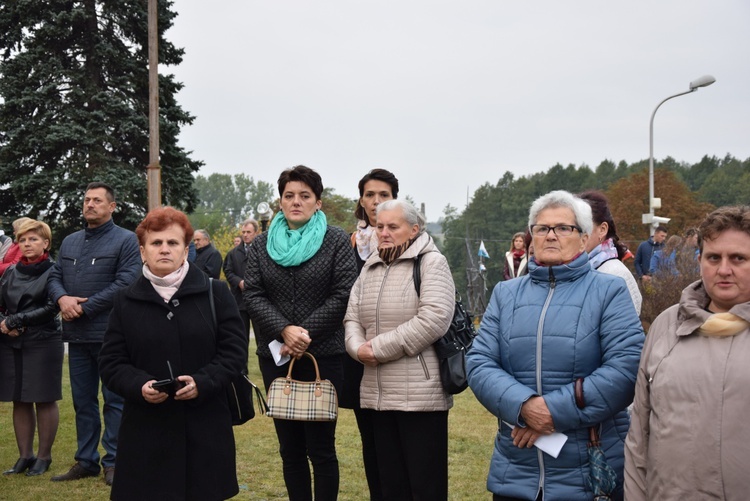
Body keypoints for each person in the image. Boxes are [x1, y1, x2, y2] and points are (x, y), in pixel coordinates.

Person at [466, 190, 644, 501]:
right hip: (516, 470)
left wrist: (552, 413)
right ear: (531, 235)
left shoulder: (609, 292)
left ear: (584, 237)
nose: (551, 236)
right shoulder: (506, 294)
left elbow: (625, 370)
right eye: (541, 228)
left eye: (563, 228)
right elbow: (480, 362)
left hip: (588, 471)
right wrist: (524, 407)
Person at [99, 207, 247, 501]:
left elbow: (234, 353)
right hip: (145, 431)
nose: (164, 249)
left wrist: (202, 382)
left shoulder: (216, 293)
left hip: (205, 428)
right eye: (156, 243)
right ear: (142, 251)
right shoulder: (125, 300)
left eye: (173, 243)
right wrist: (140, 385)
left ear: (186, 250)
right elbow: (112, 362)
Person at [244, 165, 358, 501]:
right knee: (289, 449)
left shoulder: (336, 239)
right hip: (276, 357)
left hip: (324, 356)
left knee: (322, 449)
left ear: (318, 202)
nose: (296, 202)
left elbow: (344, 292)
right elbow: (252, 294)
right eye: (289, 195)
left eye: (305, 196)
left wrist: (304, 332)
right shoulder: (262, 243)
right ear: (280, 201)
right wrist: (284, 329)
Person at [624, 205, 750, 500]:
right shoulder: (666, 325)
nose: (724, 269)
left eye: (739, 258)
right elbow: (639, 436)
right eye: (713, 257)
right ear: (699, 260)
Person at [345, 199, 455, 500]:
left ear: (414, 229)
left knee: (424, 486)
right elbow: (352, 316)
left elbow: (433, 319)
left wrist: (376, 349)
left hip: (420, 399)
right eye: (380, 226)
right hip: (377, 396)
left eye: (393, 226)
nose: (384, 232)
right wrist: (357, 348)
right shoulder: (371, 266)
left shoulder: (432, 263)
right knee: (389, 486)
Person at [47, 182, 141, 485]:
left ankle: (113, 462)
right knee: (83, 401)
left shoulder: (126, 241)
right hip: (77, 337)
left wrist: (83, 308)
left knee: (114, 401)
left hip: (111, 336)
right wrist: (62, 299)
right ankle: (85, 460)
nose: (90, 204)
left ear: (112, 206)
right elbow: (55, 276)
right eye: (87, 200)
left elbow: (126, 282)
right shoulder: (71, 241)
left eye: (97, 200)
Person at [341, 168, 399, 501]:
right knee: (371, 438)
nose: (376, 202)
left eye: (384, 195)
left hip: (397, 352)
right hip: (358, 351)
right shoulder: (351, 243)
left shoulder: (408, 242)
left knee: (396, 437)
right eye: (370, 195)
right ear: (361, 201)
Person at [0, 219, 62, 477]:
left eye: (33, 239)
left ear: (46, 243)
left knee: (43, 397)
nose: (27, 244)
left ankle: (44, 457)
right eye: (23, 240)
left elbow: (52, 305)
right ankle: (25, 455)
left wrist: (18, 320)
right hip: (10, 339)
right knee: (19, 398)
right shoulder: (9, 272)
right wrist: (4, 323)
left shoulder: (55, 271)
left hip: (43, 339)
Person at [578, 190, 642, 314]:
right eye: (571, 227)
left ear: (602, 230)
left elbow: (623, 330)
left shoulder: (616, 274)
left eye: (583, 227)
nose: (576, 234)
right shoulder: (575, 269)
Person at [223, 219, 259, 338]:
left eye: (248, 232)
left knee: (261, 337)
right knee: (241, 337)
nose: (245, 235)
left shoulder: (264, 250)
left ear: (256, 233)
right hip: (240, 300)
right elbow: (228, 271)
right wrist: (239, 282)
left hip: (259, 301)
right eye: (243, 232)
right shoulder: (233, 254)